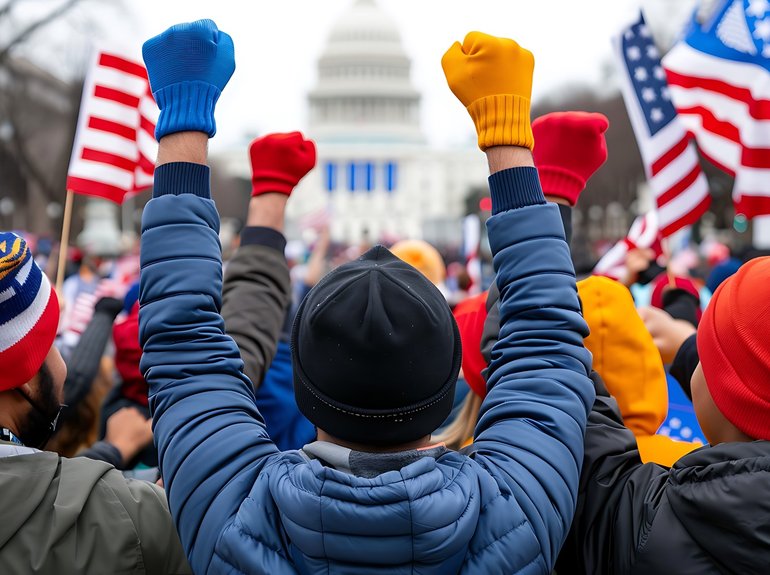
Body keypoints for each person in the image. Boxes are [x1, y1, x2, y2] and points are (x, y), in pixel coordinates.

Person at [139, 21, 593, 574]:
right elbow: (546, 342)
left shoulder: (233, 517)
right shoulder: (516, 516)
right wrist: (507, 139)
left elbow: (182, 347)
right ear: (445, 378)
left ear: (305, 387)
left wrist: (183, 117)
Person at [555, 260, 770, 573]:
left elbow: (594, 468)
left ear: (726, 397)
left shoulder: (658, 521)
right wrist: (690, 346)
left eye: (705, 354)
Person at [0, 232, 189, 574]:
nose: (64, 361)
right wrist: (158, 513)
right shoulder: (129, 519)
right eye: (51, 341)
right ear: (26, 376)